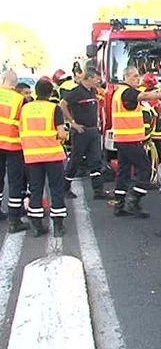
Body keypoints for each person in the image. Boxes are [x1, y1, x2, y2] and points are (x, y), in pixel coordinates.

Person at [112, 66, 161, 218]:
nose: (137, 79)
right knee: (145, 168)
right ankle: (133, 201)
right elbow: (143, 96)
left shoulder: (118, 92)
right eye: (134, 76)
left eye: (137, 76)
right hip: (130, 140)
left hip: (122, 139)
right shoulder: (128, 92)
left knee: (124, 172)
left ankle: (119, 204)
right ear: (126, 77)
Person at [19, 79, 67, 237]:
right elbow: (61, 133)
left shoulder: (25, 108)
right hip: (52, 155)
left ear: (35, 92)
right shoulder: (54, 108)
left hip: (32, 156)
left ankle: (37, 225)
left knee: (36, 190)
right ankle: (58, 226)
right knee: (56, 189)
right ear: (51, 92)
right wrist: (62, 138)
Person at [59, 67, 110, 199]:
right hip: (81, 131)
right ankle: (65, 188)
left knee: (96, 161)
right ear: (88, 79)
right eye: (96, 79)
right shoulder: (76, 92)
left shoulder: (92, 91)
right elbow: (62, 104)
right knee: (76, 160)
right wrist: (73, 123)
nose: (98, 81)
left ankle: (98, 191)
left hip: (93, 131)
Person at [0, 70, 29, 231]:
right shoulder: (19, 100)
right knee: (15, 182)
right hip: (13, 145)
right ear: (15, 83)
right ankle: (14, 219)